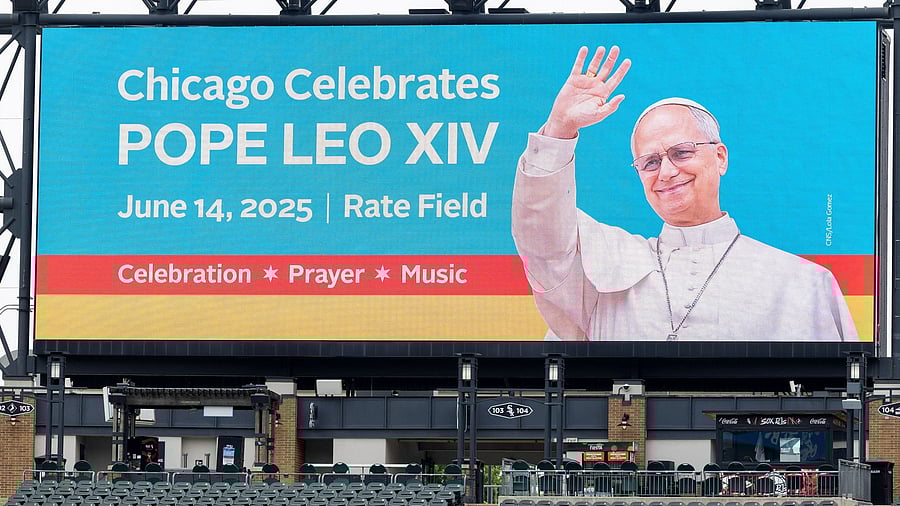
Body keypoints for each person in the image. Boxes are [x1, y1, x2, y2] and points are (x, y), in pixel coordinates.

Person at [511, 46, 858, 342]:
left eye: (681, 153)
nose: (666, 172)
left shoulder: (801, 283)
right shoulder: (606, 266)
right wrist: (559, 130)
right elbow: (541, 237)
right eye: (649, 162)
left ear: (720, 157)